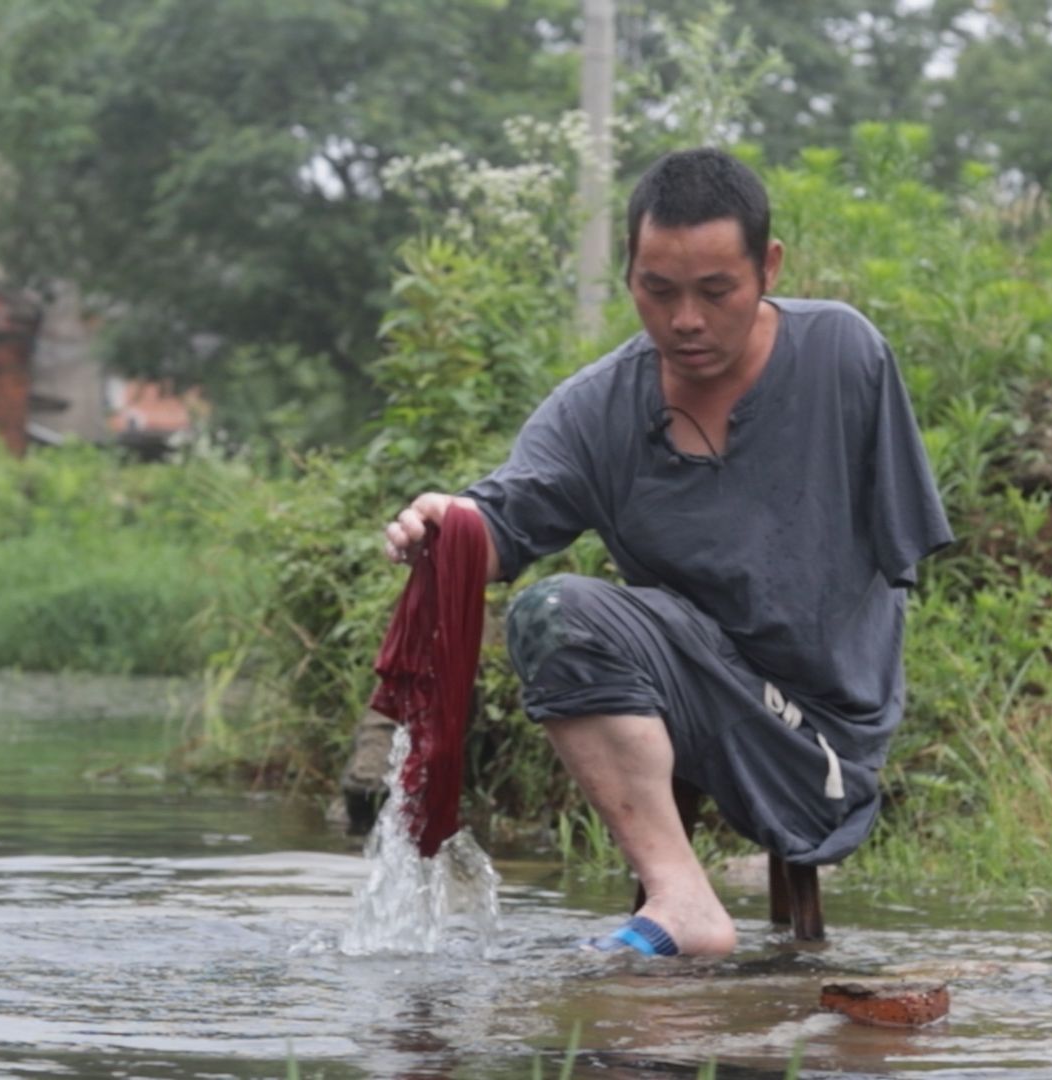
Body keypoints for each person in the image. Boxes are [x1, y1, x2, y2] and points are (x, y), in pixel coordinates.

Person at [380, 147, 953, 958]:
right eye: (660, 290)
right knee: (553, 613)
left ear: (768, 268)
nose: (687, 320)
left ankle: (686, 903)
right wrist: (447, 527)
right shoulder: (598, 409)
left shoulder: (842, 358)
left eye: (716, 291)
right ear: (629, 278)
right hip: (686, 700)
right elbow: (501, 521)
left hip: (819, 735)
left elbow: (896, 571)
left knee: (610, 618)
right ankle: (683, 901)